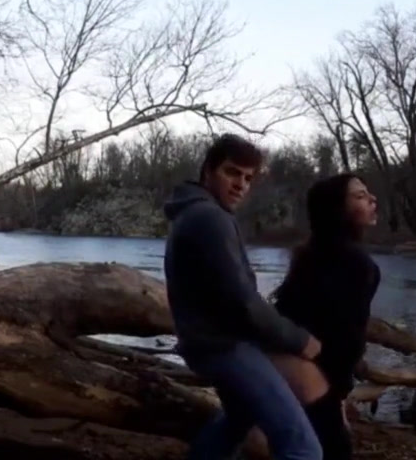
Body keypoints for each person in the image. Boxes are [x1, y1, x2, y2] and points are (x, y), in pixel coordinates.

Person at [163, 133, 324, 460]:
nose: (241, 185)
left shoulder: (193, 213)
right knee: (303, 449)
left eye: (248, 178)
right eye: (232, 172)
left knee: (237, 421)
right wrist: (299, 340)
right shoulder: (210, 218)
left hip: (205, 343)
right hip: (224, 347)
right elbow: (244, 303)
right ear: (208, 170)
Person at [271, 173, 382, 460]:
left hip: (278, 359)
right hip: (309, 368)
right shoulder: (357, 263)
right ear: (337, 209)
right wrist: (340, 395)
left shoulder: (310, 253)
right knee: (334, 449)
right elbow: (347, 339)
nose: (372, 199)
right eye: (360, 196)